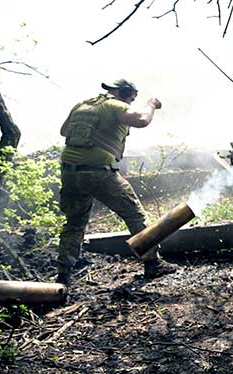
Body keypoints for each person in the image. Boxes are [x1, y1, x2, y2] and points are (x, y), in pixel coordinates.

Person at [55, 79, 176, 286]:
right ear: (124, 92)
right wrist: (151, 104)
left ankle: (63, 275)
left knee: (74, 223)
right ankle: (152, 263)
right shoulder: (114, 105)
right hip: (98, 171)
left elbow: (64, 131)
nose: (131, 103)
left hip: (70, 172)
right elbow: (141, 120)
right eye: (131, 98)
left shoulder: (83, 105)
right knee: (134, 213)